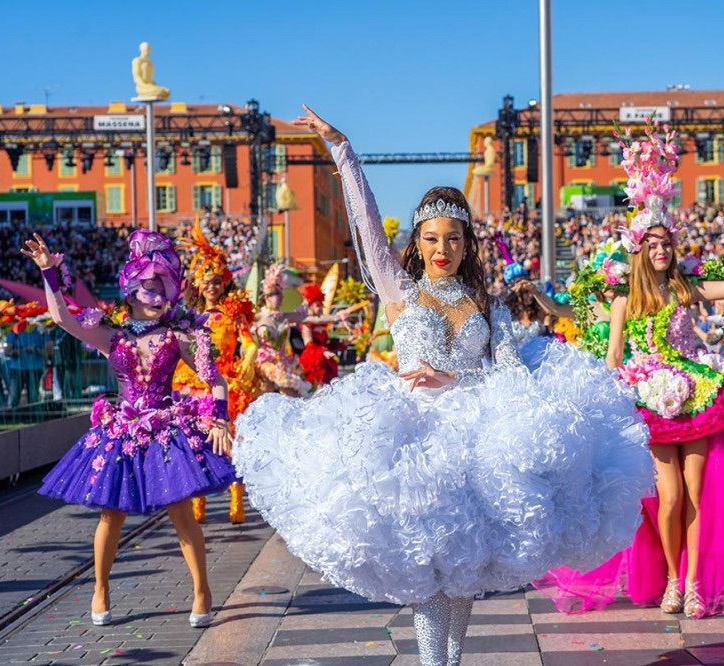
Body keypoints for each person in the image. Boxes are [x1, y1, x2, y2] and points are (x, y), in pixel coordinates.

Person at [233, 105, 653, 666]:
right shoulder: (398, 289)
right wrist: (342, 147)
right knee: (430, 584)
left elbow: (507, 370)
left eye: (452, 239)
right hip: (415, 440)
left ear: (465, 243)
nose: (441, 249)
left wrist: (456, 375)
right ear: (418, 241)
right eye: (431, 238)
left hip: (476, 438)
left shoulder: (486, 300)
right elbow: (364, 218)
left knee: (459, 581)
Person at [534, 124, 724, 619]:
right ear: (637, 248)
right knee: (670, 497)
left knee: (698, 493)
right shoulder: (621, 299)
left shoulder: (685, 289)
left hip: (694, 394)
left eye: (666, 242)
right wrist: (618, 392)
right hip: (646, 403)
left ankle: (692, 583)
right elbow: (613, 358)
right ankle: (673, 577)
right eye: (651, 242)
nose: (661, 249)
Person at [20, 230, 236, 628]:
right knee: (110, 514)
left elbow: (216, 381)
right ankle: (100, 588)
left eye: (164, 289)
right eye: (150, 289)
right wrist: (51, 274)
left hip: (166, 430)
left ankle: (202, 590)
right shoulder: (111, 335)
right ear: (132, 292)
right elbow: (62, 318)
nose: (159, 298)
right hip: (122, 431)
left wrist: (219, 417)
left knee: (181, 512)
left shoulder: (178, 336)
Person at [173, 222, 261, 524]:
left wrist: (248, 360)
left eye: (217, 281)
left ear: (224, 283)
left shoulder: (233, 313)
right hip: (192, 387)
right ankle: (197, 508)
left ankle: (237, 505)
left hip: (226, 385)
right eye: (207, 281)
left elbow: (251, 343)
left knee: (232, 445)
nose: (212, 286)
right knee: (195, 445)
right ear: (199, 284)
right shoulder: (189, 317)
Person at [252, 264, 311, 397]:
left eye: (279, 293)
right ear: (266, 297)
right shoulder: (257, 317)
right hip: (264, 363)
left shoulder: (286, 316)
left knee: (290, 397)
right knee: (264, 396)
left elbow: (313, 319)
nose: (278, 297)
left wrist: (338, 316)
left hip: (283, 362)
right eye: (273, 294)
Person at [297, 283, 340, 387]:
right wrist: (323, 352)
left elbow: (325, 343)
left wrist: (340, 345)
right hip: (313, 361)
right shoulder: (306, 324)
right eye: (317, 305)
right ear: (310, 306)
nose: (321, 308)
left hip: (326, 360)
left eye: (322, 305)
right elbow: (309, 344)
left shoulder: (322, 323)